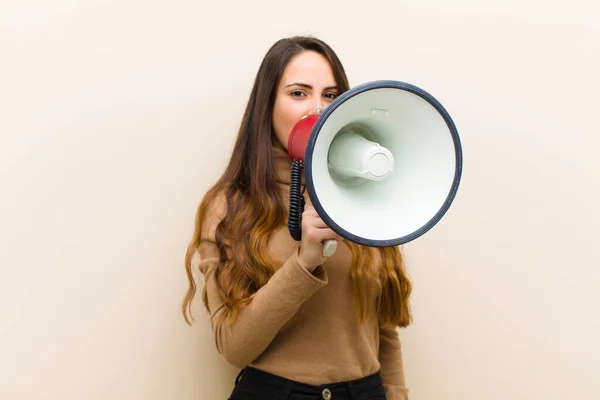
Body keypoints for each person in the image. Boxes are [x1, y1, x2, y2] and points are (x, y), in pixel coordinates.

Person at [182, 36, 413, 400]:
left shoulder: (366, 195)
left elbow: (382, 326)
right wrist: (303, 262)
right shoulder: (229, 206)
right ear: (267, 106)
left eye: (331, 95)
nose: (317, 110)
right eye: (298, 93)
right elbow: (232, 347)